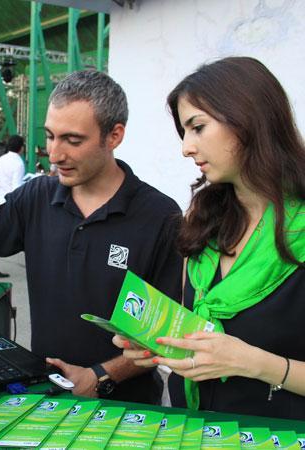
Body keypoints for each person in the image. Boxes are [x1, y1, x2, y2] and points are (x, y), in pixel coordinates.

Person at [0, 70, 182, 404]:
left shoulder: (160, 216)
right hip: (45, 398)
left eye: (72, 141)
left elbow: (163, 335)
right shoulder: (34, 198)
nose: (55, 154)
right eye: (50, 136)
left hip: (127, 410)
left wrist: (100, 376)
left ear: (114, 136)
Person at [114, 57, 305, 420]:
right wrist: (157, 339)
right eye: (184, 132)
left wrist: (255, 363)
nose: (186, 147)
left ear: (248, 119)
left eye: (198, 127)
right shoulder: (203, 221)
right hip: (188, 428)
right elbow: (194, 327)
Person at [0, 134, 26, 279]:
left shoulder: (0, 160)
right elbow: (16, 188)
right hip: (12, 205)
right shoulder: (19, 163)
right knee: (25, 234)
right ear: (21, 148)